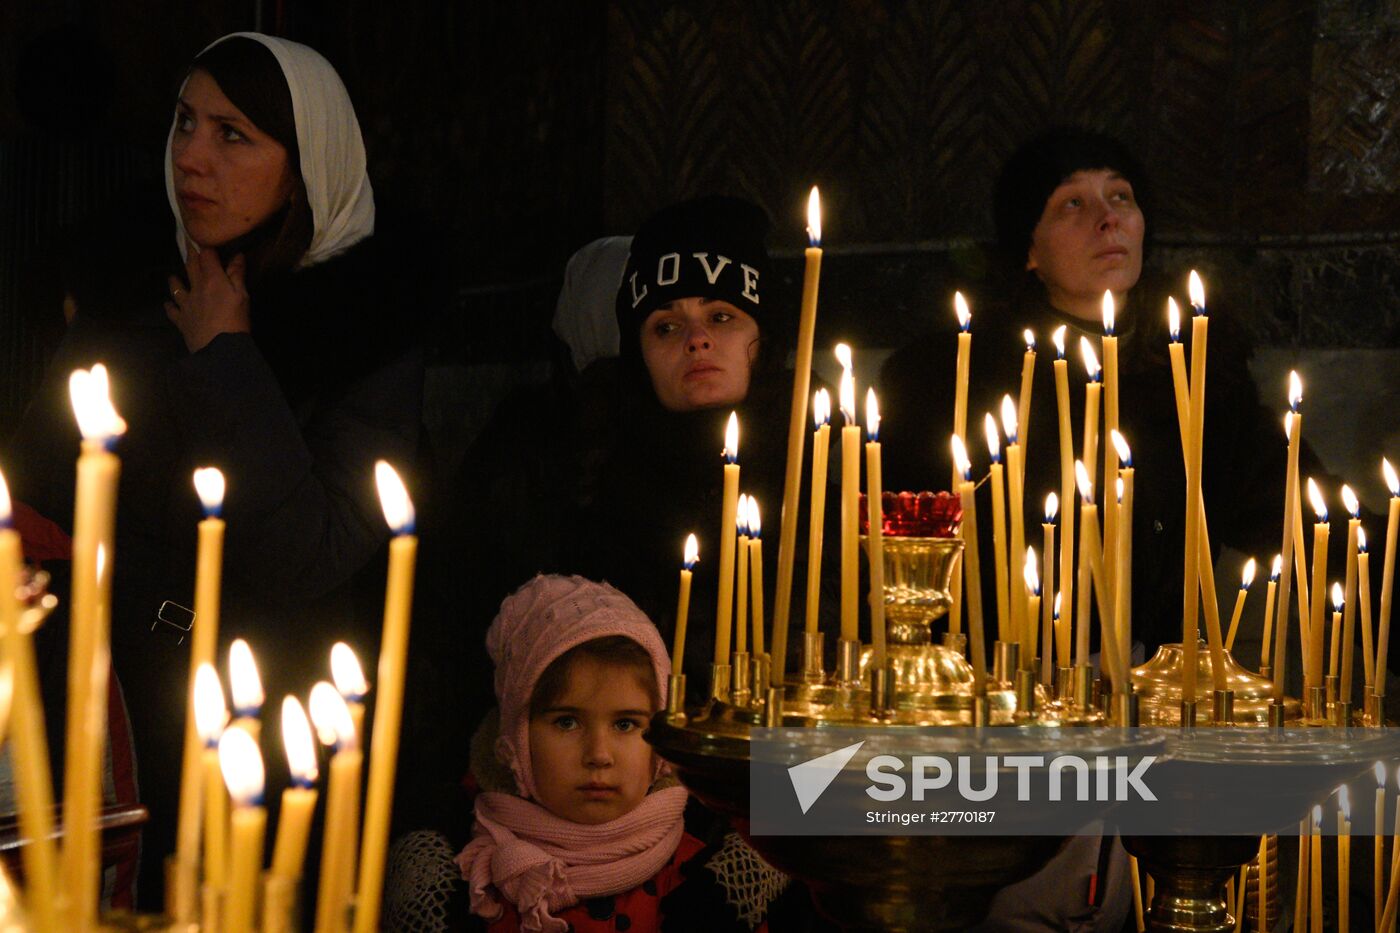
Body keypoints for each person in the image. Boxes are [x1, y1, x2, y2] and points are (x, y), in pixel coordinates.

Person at [6, 32, 429, 907]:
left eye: (234, 135)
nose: (192, 156)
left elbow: (307, 553)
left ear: (304, 166)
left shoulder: (367, 337)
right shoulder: (127, 303)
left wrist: (230, 357)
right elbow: (35, 503)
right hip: (103, 725)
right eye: (185, 123)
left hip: (266, 741)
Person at [879, 127, 1346, 661]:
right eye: (1071, 203)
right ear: (1029, 249)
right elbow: (909, 549)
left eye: (1121, 196)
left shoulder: (1199, 371)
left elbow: (1295, 511)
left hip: (1157, 697)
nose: (1108, 218)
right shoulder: (954, 379)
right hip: (1008, 689)